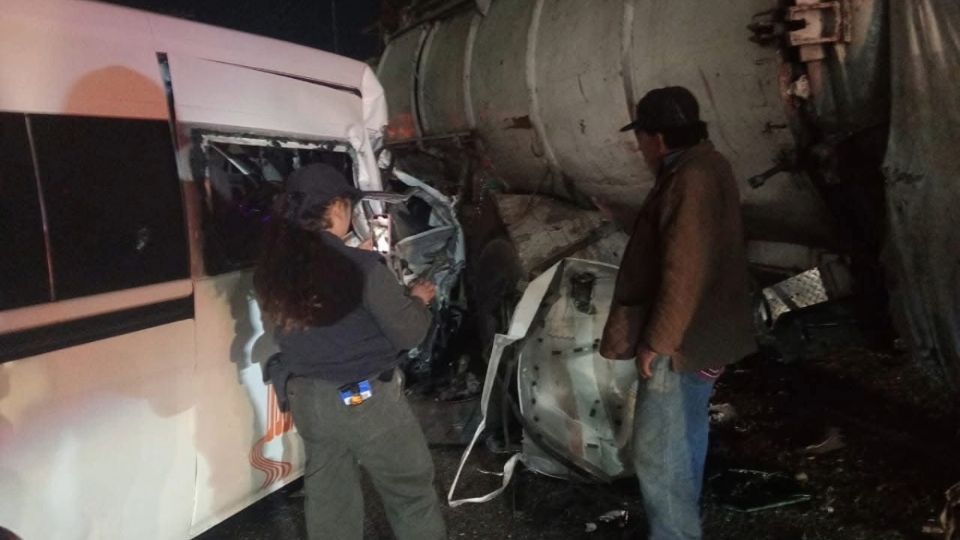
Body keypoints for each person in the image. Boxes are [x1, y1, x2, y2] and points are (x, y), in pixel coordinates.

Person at [254, 163, 447, 540]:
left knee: (330, 499)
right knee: (410, 492)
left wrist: (351, 258)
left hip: (308, 399)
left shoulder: (272, 269)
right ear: (336, 207)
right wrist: (417, 300)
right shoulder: (363, 268)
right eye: (349, 206)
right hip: (365, 401)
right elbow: (409, 331)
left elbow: (307, 315)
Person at [596, 87, 756, 540]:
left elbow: (683, 270)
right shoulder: (710, 164)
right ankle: (685, 526)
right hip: (707, 333)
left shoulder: (687, 178)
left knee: (658, 452)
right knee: (686, 436)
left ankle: (675, 534)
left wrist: (656, 342)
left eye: (642, 138)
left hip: (681, 343)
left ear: (659, 139)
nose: (640, 148)